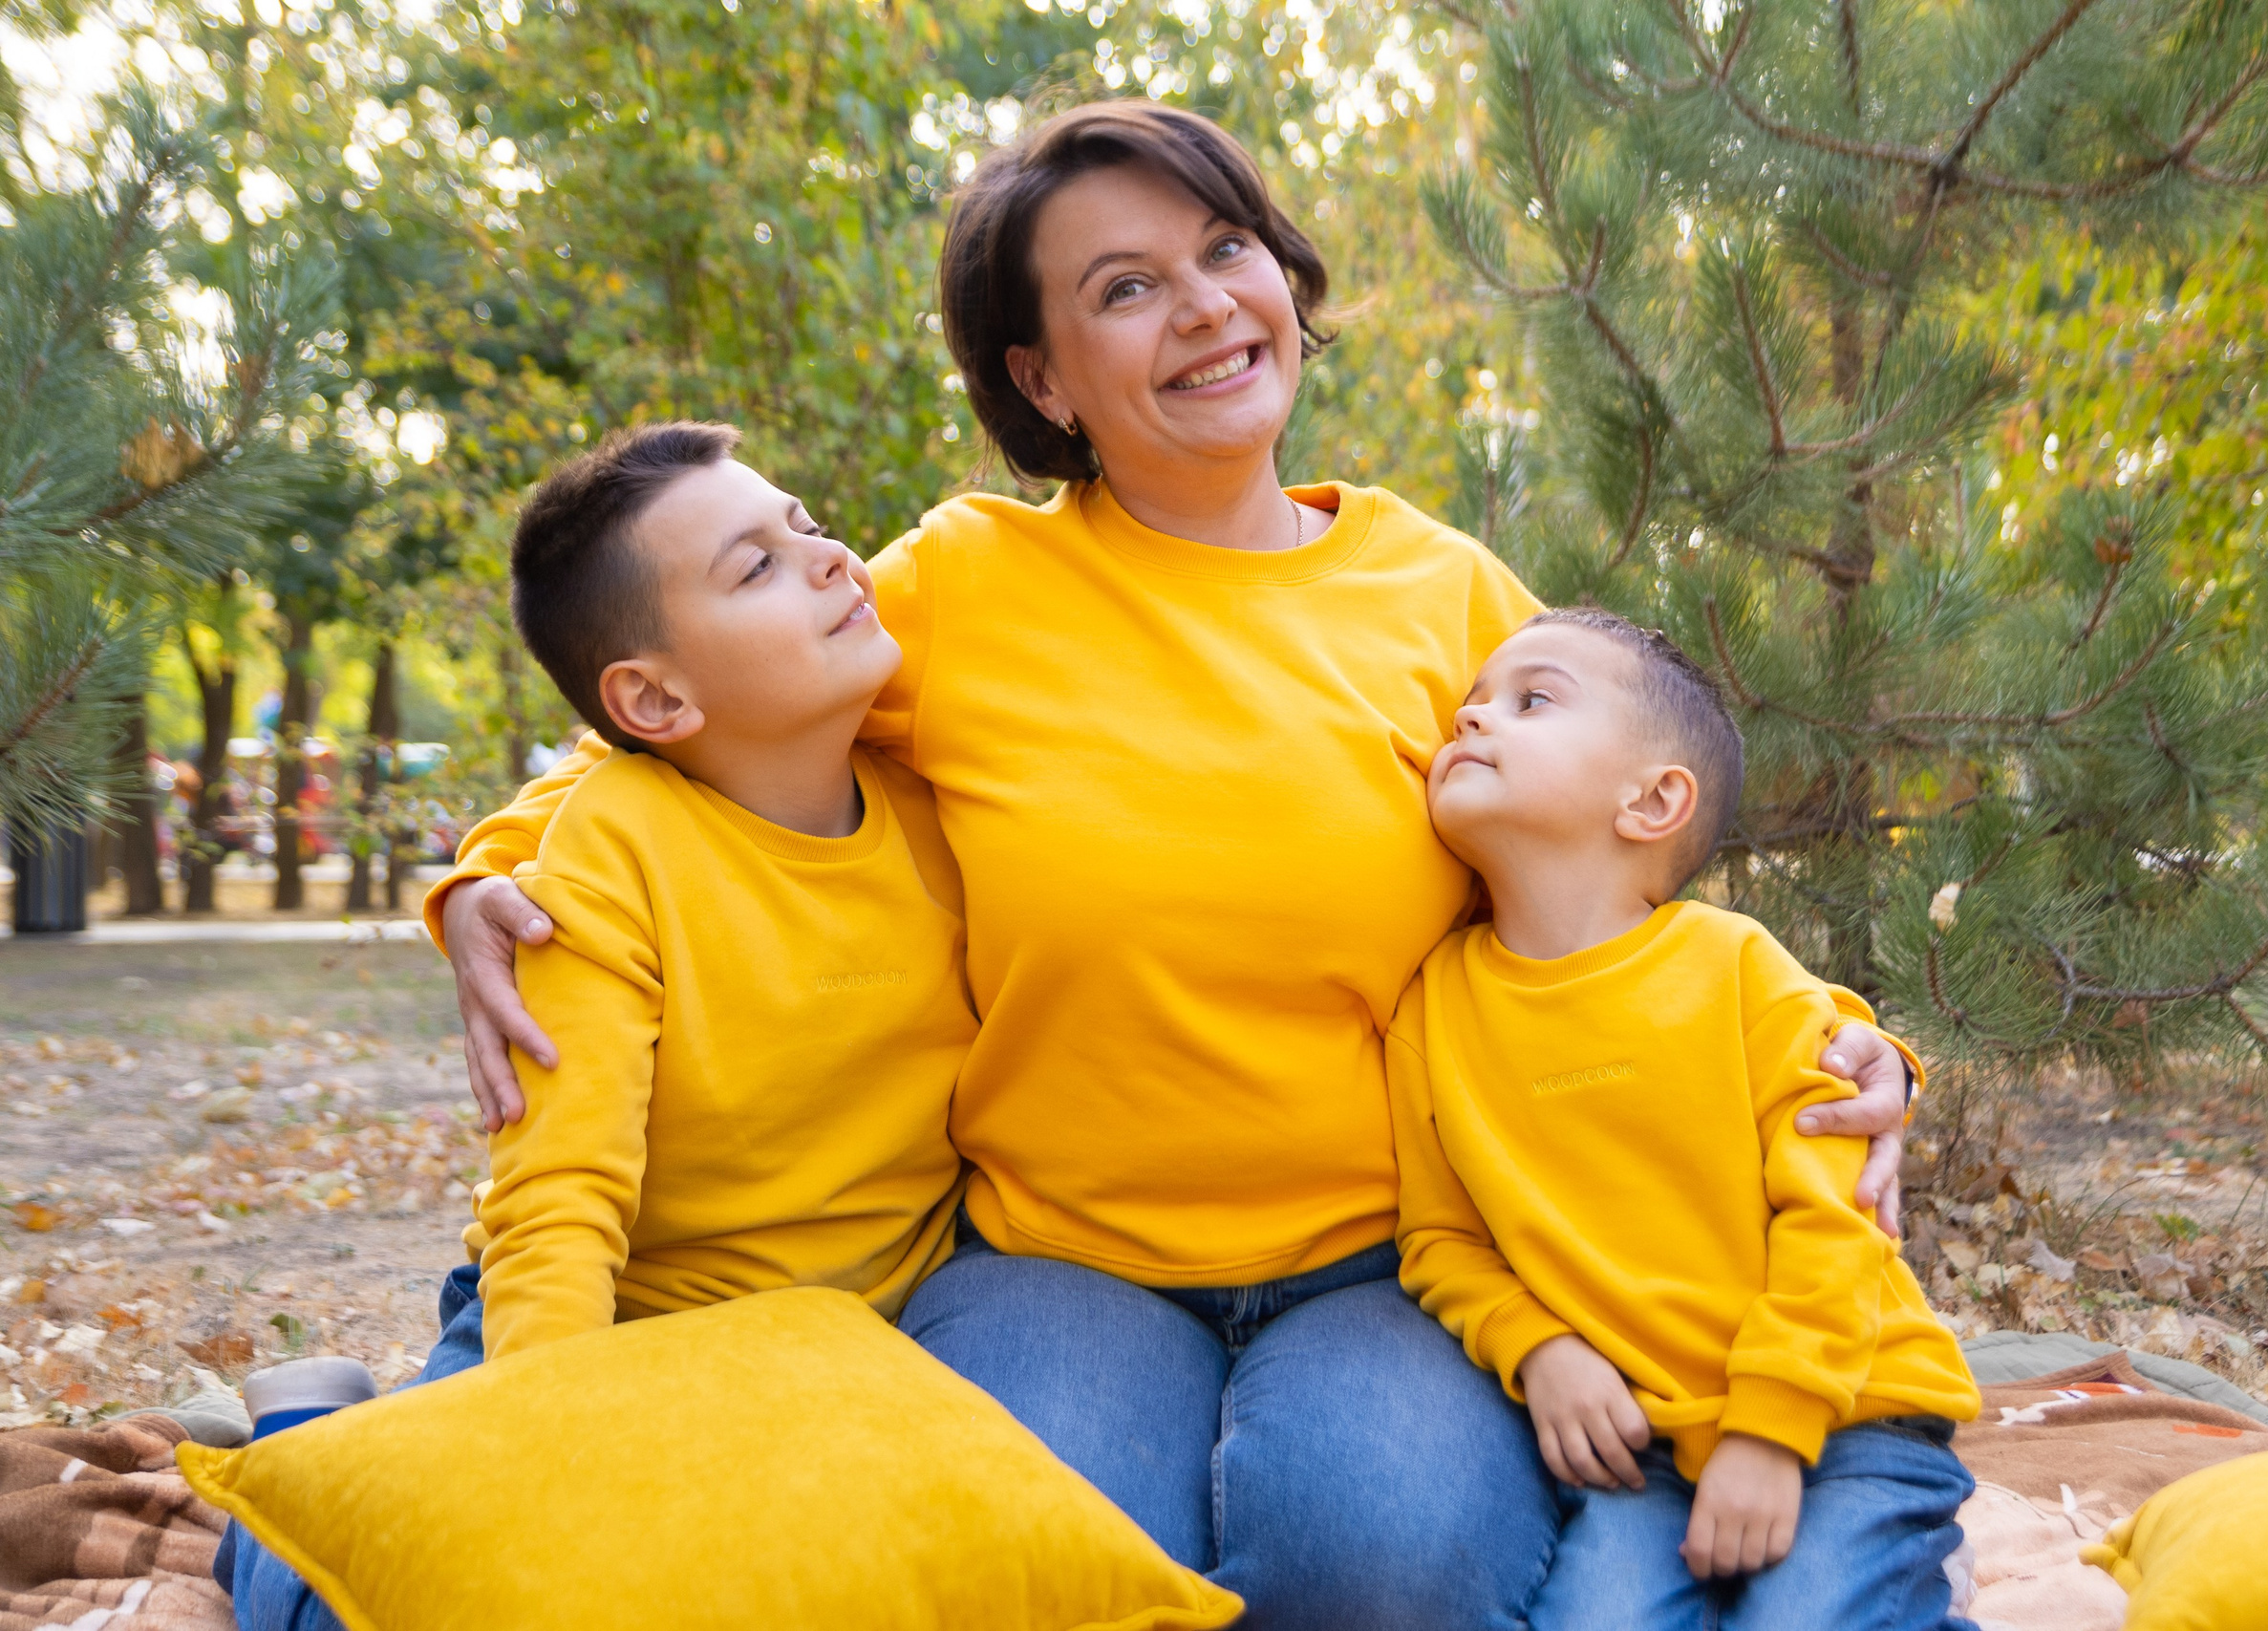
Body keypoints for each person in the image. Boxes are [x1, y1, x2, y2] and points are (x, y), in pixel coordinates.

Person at [431, 101, 1921, 1629]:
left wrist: (1847, 1041)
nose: (1207, 303)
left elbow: (1623, 847)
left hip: (1393, 1257)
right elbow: (697, 721)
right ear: (1043, 378)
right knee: (1047, 1574)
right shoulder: (964, 586)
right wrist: (487, 870)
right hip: (1054, 1254)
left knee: (1385, 1572)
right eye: (1124, 287)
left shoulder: (1443, 594)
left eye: (1227, 248)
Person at [220, 421, 977, 1631]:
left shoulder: (943, 803)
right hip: (608, 1324)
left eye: (809, 528)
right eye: (757, 568)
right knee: (382, 1605)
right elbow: (557, 1207)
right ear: (654, 695)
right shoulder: (606, 863)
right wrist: (557, 1458)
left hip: (852, 1346)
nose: (834, 560)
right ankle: (304, 1432)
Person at [1390, 609, 1980, 1631]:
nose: (1471, 719)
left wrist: (1771, 1430)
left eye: (1528, 701)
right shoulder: (1432, 1007)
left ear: (1654, 800)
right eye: (1469, 705)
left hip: (1846, 1411)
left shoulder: (1738, 968)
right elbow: (1440, 1238)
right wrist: (1538, 1348)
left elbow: (1836, 1213)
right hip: (1645, 1447)